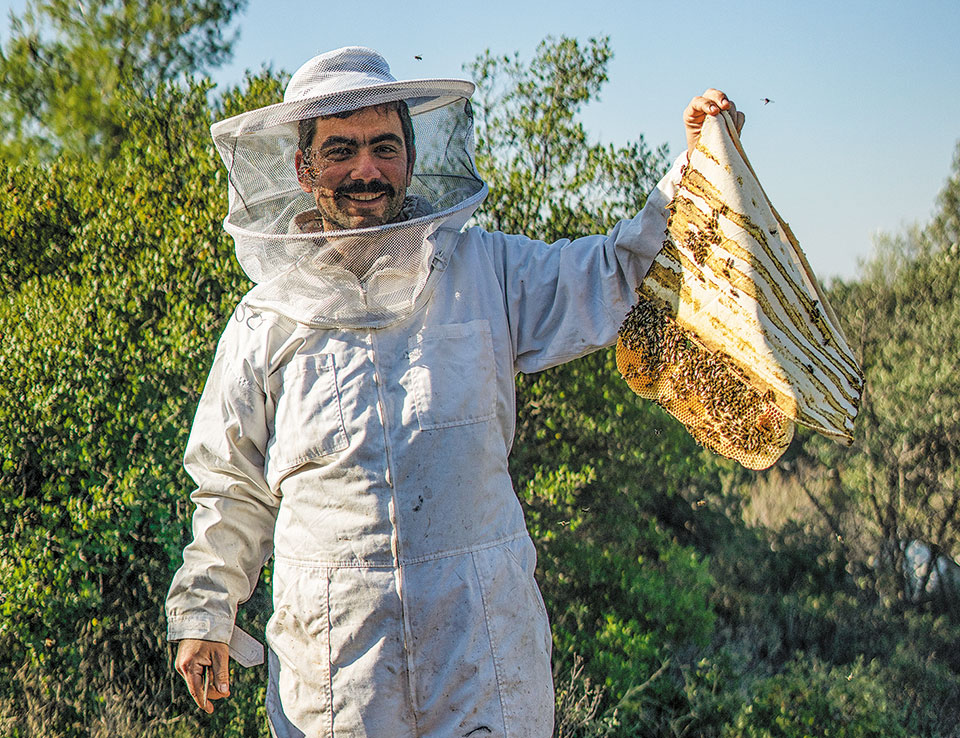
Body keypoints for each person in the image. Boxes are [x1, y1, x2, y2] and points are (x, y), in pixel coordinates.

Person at [165, 46, 743, 738]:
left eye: (385, 146)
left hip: (481, 649)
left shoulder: (489, 271)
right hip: (335, 663)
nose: (366, 169)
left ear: (410, 157)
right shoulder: (264, 321)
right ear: (303, 167)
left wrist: (695, 167)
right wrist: (205, 612)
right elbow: (230, 486)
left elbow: (619, 273)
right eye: (341, 150)